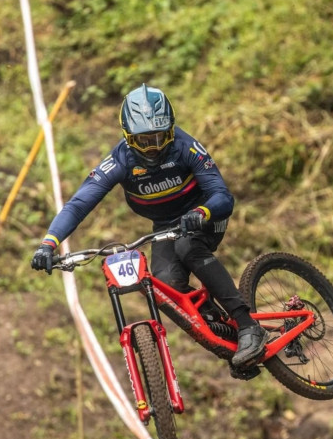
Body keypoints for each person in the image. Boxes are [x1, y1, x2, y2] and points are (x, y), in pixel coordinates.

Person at [31, 83, 266, 377]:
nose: (153, 147)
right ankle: (225, 335)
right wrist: (48, 243)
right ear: (129, 138)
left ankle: (248, 326)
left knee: (188, 247)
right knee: (164, 286)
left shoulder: (185, 147)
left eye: (159, 137)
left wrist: (201, 212)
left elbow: (223, 196)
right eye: (144, 140)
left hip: (204, 211)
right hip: (166, 224)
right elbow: (79, 204)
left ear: (171, 130)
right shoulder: (120, 159)